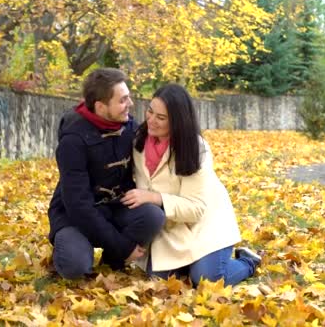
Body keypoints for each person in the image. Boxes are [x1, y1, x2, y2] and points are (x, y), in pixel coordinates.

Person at [120, 83, 261, 287]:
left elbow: (195, 208)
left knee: (205, 280)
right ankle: (190, 263)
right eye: (150, 112)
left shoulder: (196, 148)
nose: (151, 120)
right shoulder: (138, 140)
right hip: (170, 227)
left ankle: (248, 261)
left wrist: (154, 198)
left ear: (177, 122)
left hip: (206, 222)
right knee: (160, 280)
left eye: (161, 118)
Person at [47, 68, 165, 279]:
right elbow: (79, 206)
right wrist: (124, 246)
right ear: (100, 106)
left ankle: (113, 260)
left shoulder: (129, 127)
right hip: (75, 216)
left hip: (115, 207)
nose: (130, 104)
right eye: (123, 100)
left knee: (152, 216)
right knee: (75, 267)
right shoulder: (73, 141)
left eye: (128, 97)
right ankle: (70, 250)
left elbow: (160, 144)